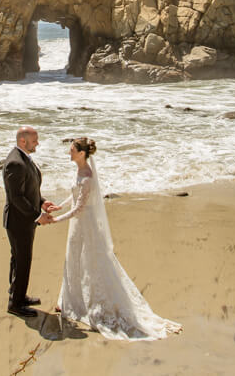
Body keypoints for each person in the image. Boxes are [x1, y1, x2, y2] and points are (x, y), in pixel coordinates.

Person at [46, 137, 182, 340]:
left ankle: (85, 304)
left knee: (89, 263)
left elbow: (79, 208)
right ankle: (69, 301)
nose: (69, 152)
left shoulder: (88, 176)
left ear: (82, 153)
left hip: (85, 224)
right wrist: (59, 205)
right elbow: (75, 194)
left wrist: (55, 220)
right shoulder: (80, 171)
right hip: (78, 223)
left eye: (72, 149)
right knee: (73, 259)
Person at [2, 126, 59, 318]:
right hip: (18, 222)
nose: (38, 143)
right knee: (23, 260)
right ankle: (16, 304)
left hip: (25, 220)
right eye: (34, 140)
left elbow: (29, 189)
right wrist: (37, 216)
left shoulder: (24, 158)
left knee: (18, 259)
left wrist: (42, 203)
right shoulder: (15, 163)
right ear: (22, 141)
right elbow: (16, 197)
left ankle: (17, 294)